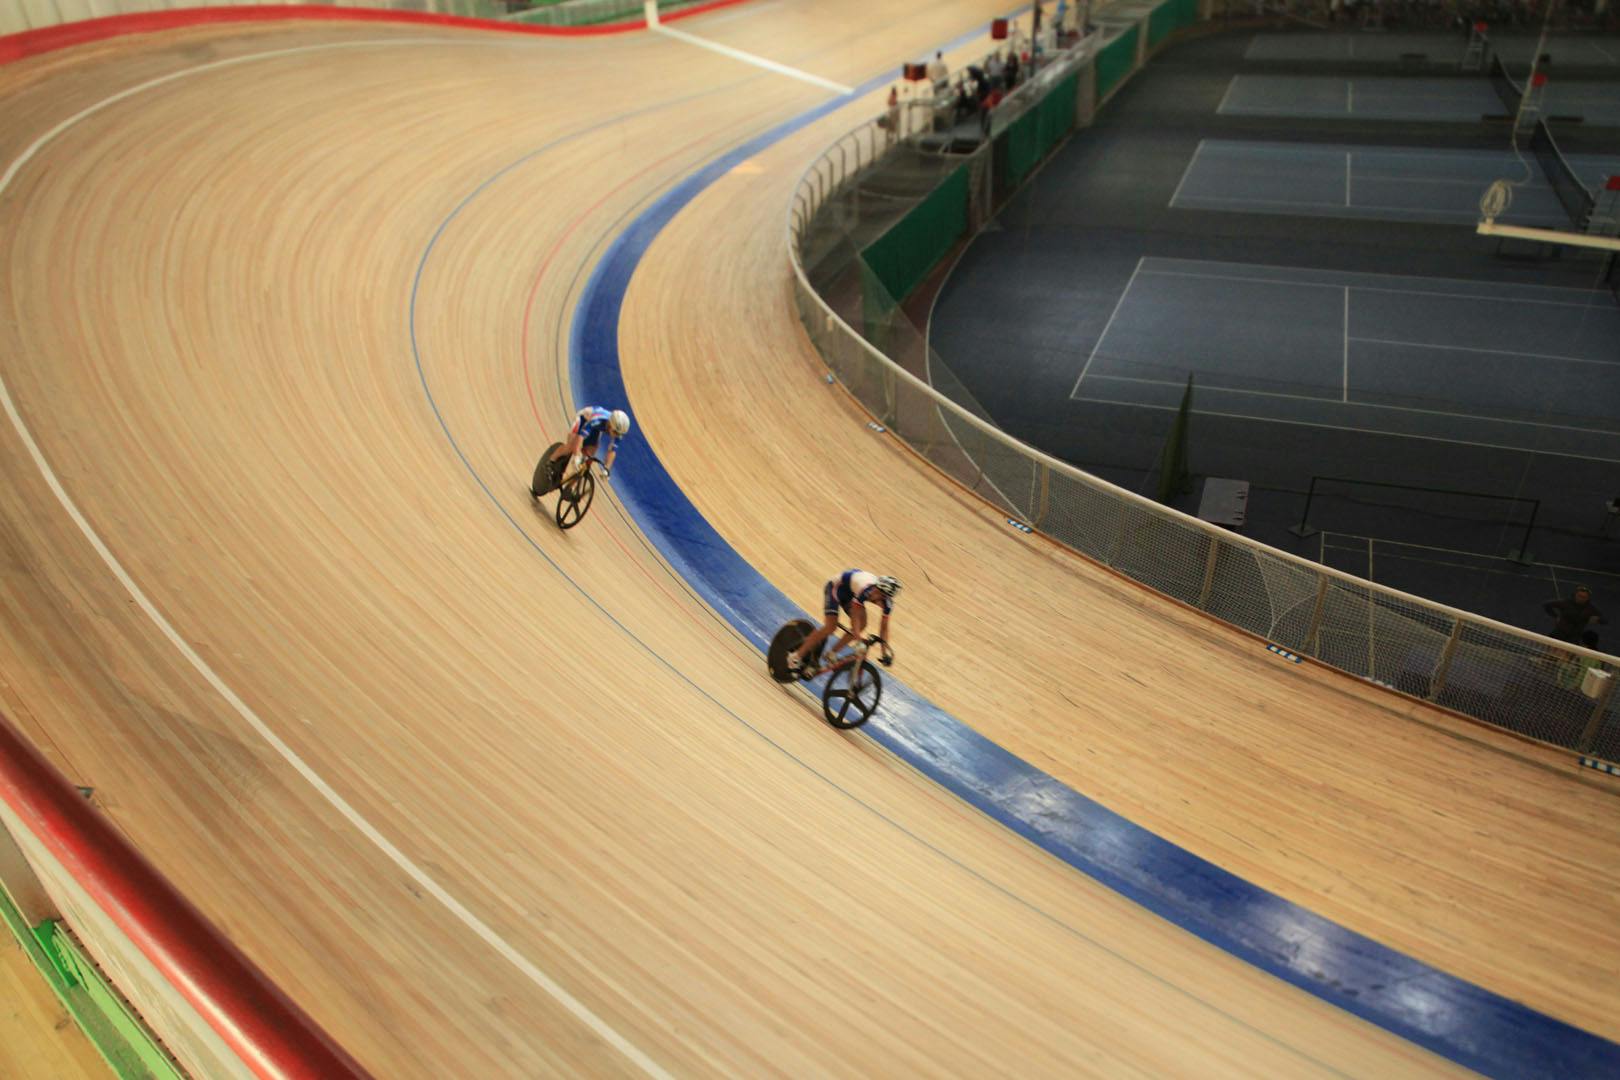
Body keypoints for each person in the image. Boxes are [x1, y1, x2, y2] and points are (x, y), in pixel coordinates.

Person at [789, 570, 900, 672]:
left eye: (880, 594)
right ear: (876, 585)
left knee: (862, 624)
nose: (875, 593)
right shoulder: (865, 590)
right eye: (876, 589)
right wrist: (857, 639)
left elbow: (884, 628)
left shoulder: (887, 605)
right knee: (830, 627)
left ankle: (832, 653)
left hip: (852, 592)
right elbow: (855, 617)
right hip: (836, 587)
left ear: (886, 597)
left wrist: (884, 652)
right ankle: (796, 656)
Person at [536, 406, 629, 495]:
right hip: (583, 420)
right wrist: (576, 455)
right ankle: (551, 461)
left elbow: (612, 451)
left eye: (619, 434)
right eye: (616, 432)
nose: (617, 435)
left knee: (589, 457)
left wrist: (607, 469)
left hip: (595, 430)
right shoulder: (597, 420)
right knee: (572, 446)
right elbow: (580, 437)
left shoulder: (618, 432)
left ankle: (571, 486)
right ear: (610, 424)